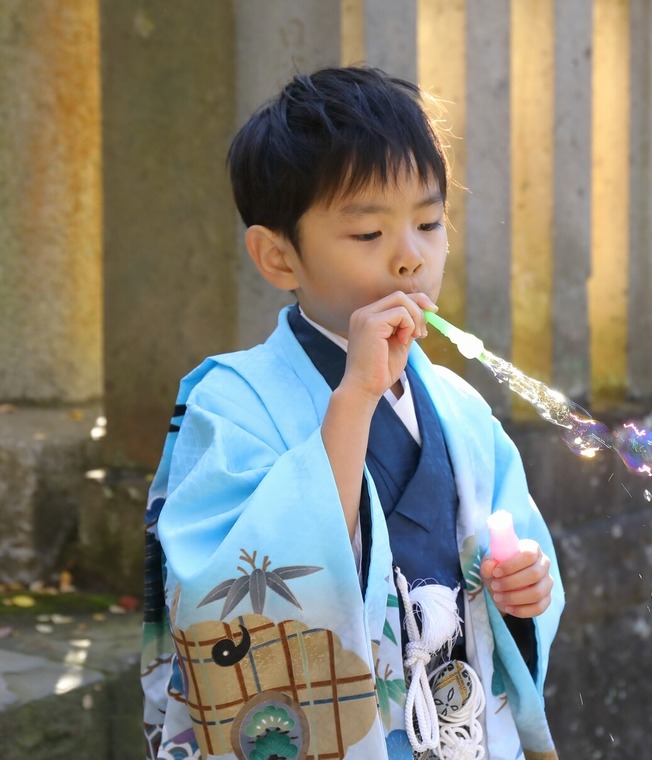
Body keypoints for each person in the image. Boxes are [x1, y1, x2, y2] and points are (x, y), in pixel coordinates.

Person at [140, 66, 564, 760]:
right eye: (368, 234)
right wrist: (355, 398)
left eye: (429, 223)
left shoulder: (459, 408)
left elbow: (511, 563)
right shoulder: (231, 404)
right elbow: (226, 595)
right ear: (278, 256)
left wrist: (523, 591)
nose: (410, 257)